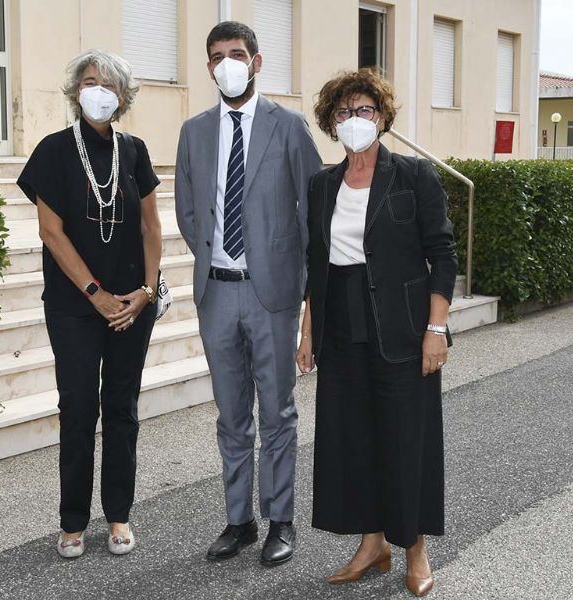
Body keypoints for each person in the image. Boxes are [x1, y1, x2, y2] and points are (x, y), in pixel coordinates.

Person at [296, 69, 457, 597]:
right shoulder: (322, 185)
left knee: (404, 440)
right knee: (354, 440)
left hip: (403, 328)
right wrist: (308, 332)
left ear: (382, 117)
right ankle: (372, 545)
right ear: (331, 123)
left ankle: (414, 548)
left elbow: (442, 254)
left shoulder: (414, 176)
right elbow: (316, 264)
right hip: (341, 329)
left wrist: (437, 328)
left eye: (363, 110)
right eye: (343, 113)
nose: (354, 120)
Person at [175, 21, 322, 566]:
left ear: (257, 62)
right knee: (231, 414)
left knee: (277, 413)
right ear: (209, 67)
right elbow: (188, 211)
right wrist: (218, 258)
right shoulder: (194, 131)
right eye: (217, 56)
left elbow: (313, 215)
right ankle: (240, 521)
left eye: (237, 53)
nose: (227, 63)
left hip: (274, 296)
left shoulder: (289, 127)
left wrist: (310, 303)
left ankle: (280, 519)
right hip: (216, 293)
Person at [17, 49, 162, 558]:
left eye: (107, 84)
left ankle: (119, 515)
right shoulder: (53, 151)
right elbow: (50, 232)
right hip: (76, 306)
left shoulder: (136, 151)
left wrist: (146, 291)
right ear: (76, 91)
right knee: (78, 408)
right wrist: (96, 295)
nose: (97, 91)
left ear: (122, 97)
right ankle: (73, 519)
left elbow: (151, 226)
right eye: (89, 81)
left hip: (131, 305)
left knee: (121, 409)